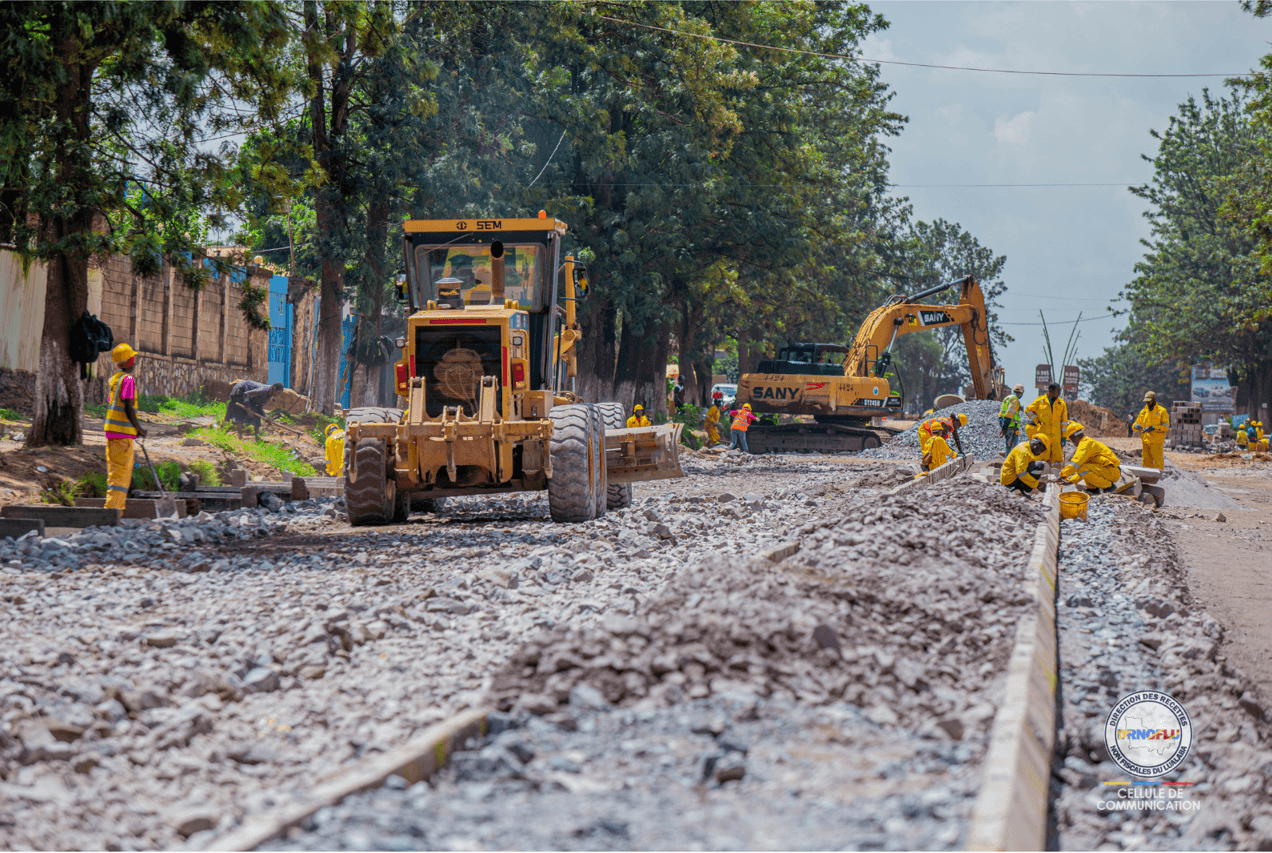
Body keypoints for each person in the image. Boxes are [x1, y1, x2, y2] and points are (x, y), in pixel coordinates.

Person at [104, 343, 147, 510]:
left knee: (115, 473)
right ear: (130, 360)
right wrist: (139, 428)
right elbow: (128, 406)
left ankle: (114, 509)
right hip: (122, 434)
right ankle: (113, 511)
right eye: (133, 358)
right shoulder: (128, 380)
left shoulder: (115, 379)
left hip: (112, 432)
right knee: (121, 475)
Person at [1059, 422, 1121, 492]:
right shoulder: (1087, 442)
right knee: (1084, 466)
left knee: (1083, 468)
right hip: (1110, 470)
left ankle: (1109, 487)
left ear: (1074, 437)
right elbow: (1081, 467)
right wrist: (1071, 481)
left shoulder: (1085, 444)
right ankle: (1092, 490)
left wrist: (1062, 474)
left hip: (1112, 471)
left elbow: (1075, 464)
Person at [1023, 382, 1068, 465]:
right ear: (1051, 390)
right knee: (1043, 456)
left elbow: (1064, 422)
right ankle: (1042, 475)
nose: (1059, 393)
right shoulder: (1040, 401)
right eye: (1057, 391)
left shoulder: (1061, 404)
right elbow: (1028, 410)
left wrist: (1064, 437)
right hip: (1043, 435)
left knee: (1057, 458)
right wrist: (1037, 421)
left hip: (1056, 436)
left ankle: (1057, 475)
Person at [1132, 391, 1169, 470]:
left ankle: (1158, 479)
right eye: (1146, 401)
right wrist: (1135, 426)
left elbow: (1166, 427)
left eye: (1149, 401)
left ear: (1154, 399)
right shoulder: (1143, 412)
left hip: (1156, 443)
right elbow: (1134, 425)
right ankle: (1148, 480)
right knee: (1146, 463)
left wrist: (1153, 428)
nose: (1147, 402)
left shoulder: (1161, 411)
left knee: (1158, 462)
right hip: (1145, 442)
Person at [999, 384, 1025, 454]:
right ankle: (1008, 464)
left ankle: (1007, 462)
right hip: (1011, 426)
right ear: (1021, 392)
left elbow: (1001, 413)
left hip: (1006, 423)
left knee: (1009, 447)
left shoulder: (1007, 398)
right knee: (1012, 449)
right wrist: (1005, 427)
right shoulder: (1015, 400)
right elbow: (1009, 414)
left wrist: (1003, 426)